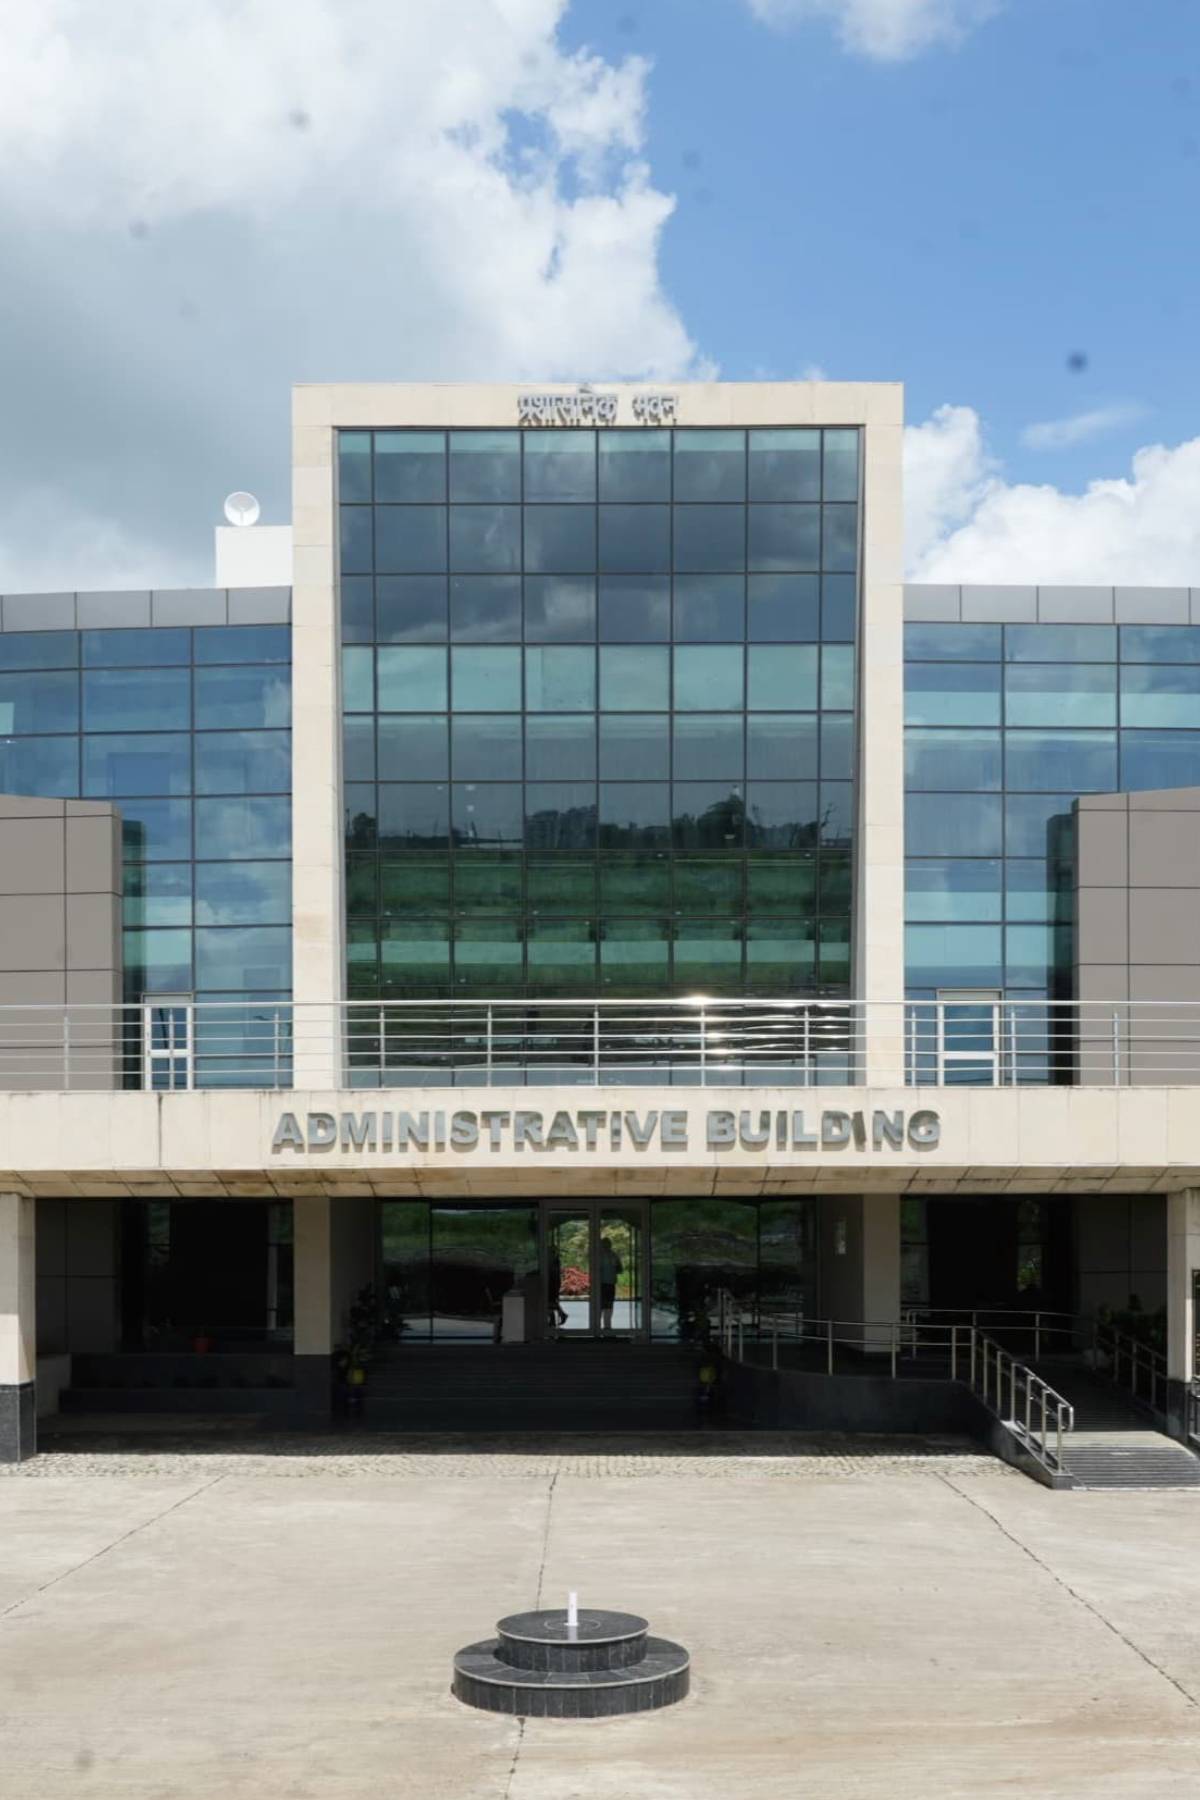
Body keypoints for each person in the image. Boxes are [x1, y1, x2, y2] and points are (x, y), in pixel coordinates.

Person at [598, 1235, 623, 1335]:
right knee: (606, 1305)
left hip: (605, 1284)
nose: (606, 1246)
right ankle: (605, 1327)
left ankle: (601, 1327)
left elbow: (620, 1269)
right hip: (605, 1283)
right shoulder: (613, 1255)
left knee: (604, 1305)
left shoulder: (609, 1255)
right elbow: (620, 1269)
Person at [546, 1244, 567, 1331]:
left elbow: (554, 1273)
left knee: (550, 1302)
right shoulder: (554, 1260)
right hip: (553, 1283)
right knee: (550, 1302)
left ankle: (559, 1316)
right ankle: (555, 1319)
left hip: (552, 1283)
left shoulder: (553, 1261)